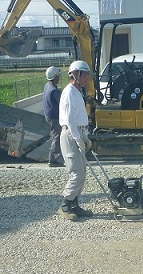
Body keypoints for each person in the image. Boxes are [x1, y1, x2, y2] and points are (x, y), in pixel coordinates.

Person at [59, 60, 93, 221]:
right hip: (70, 134)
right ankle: (65, 206)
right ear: (76, 74)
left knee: (83, 172)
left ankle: (75, 205)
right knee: (76, 173)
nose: (87, 78)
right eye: (84, 75)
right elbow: (70, 119)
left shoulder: (77, 92)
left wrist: (84, 136)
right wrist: (78, 138)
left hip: (78, 133)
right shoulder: (69, 92)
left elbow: (79, 119)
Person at [43, 66, 63, 167]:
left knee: (55, 136)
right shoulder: (54, 91)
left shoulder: (48, 85)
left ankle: (54, 157)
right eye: (58, 75)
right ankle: (53, 160)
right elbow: (62, 103)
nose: (59, 77)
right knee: (57, 137)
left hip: (49, 115)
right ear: (55, 77)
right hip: (54, 117)